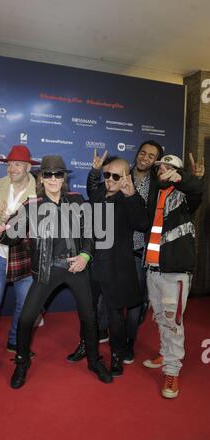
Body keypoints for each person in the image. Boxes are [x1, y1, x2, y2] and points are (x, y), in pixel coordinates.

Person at [0, 155, 112, 388]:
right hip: (46, 270)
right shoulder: (30, 206)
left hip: (75, 267)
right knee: (27, 319)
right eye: (47, 174)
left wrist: (85, 256)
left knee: (89, 318)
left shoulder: (78, 201)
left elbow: (90, 235)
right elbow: (11, 237)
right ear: (40, 178)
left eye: (57, 174)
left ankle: (93, 361)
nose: (52, 178)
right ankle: (21, 363)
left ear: (64, 177)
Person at [67, 156, 149, 376]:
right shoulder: (99, 193)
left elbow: (142, 223)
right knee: (87, 310)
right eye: (107, 175)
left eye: (116, 176)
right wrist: (95, 171)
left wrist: (132, 196)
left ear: (126, 177)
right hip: (91, 264)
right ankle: (86, 345)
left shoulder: (130, 198)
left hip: (117, 268)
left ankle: (116, 355)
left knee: (115, 316)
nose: (110, 180)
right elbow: (91, 187)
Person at [0, 145, 39, 386]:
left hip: (24, 259)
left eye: (17, 164)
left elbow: (35, 229)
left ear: (28, 167)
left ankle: (14, 341)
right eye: (9, 164)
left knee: (24, 308)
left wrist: (8, 226)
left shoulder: (37, 193)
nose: (12, 168)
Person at [143, 154, 203, 398]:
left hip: (175, 272)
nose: (163, 170)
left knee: (172, 321)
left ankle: (172, 370)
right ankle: (165, 353)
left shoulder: (185, 198)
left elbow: (198, 190)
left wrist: (182, 178)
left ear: (178, 172)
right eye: (161, 167)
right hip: (153, 268)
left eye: (169, 168)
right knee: (160, 317)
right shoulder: (155, 193)